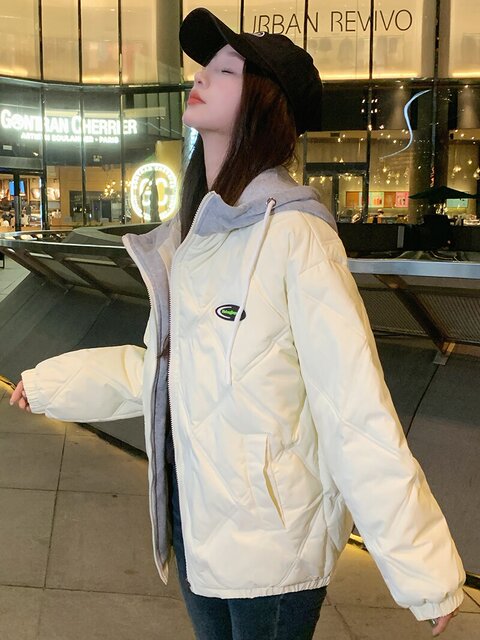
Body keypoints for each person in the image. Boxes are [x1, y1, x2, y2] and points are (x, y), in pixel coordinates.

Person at [10, 8, 464, 640]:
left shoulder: (297, 236)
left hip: (275, 549)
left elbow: (353, 406)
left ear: (265, 104)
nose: (202, 75)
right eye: (207, 66)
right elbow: (166, 371)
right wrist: (54, 384)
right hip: (196, 527)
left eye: (226, 70)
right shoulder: (194, 235)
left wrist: (423, 570)